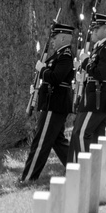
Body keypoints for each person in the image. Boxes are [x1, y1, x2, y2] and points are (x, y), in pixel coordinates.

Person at [70, 12, 106, 182]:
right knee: (102, 140)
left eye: (96, 28)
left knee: (81, 133)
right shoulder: (101, 47)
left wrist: (86, 62)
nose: (93, 31)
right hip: (97, 97)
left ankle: (83, 174)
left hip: (97, 99)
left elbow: (101, 73)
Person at [20, 21, 75, 182]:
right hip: (52, 103)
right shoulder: (58, 55)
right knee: (58, 142)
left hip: (55, 104)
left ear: (64, 39)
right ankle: (79, 168)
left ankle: (28, 178)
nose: (52, 40)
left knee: (41, 142)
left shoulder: (65, 56)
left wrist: (42, 70)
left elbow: (56, 78)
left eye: (55, 37)